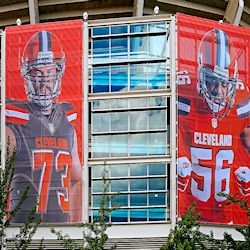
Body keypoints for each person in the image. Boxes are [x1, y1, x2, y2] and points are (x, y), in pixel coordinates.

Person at [6, 30, 82, 223]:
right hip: (22, 230)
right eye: (37, 73)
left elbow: (77, 180)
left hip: (61, 232)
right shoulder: (14, 120)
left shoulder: (67, 120)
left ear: (59, 73)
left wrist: (76, 227)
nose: (44, 81)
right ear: (26, 75)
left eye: (50, 72)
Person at [177, 28, 250, 224]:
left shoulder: (242, 103)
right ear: (200, 75)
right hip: (188, 216)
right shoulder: (183, 98)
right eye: (211, 82)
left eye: (225, 84)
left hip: (227, 218)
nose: (218, 91)